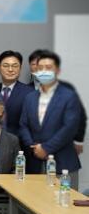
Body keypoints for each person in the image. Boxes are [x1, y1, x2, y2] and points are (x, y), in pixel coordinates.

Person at [19, 50, 82, 189]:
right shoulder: (30, 97)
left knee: (65, 201)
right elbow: (23, 125)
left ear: (57, 71)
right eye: (40, 68)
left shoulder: (69, 96)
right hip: (35, 163)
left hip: (63, 164)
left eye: (48, 67)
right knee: (35, 200)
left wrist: (46, 148)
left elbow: (70, 128)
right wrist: (33, 147)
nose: (44, 71)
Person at [29, 49, 87, 156]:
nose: (42, 70)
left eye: (47, 66)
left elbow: (79, 116)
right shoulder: (27, 90)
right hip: (35, 150)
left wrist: (79, 140)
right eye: (36, 65)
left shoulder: (67, 89)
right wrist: (33, 145)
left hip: (62, 147)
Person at [0, 51, 33, 136]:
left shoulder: (30, 93)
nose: (10, 69)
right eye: (5, 66)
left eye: (15, 66)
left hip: (19, 141)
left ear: (20, 68)